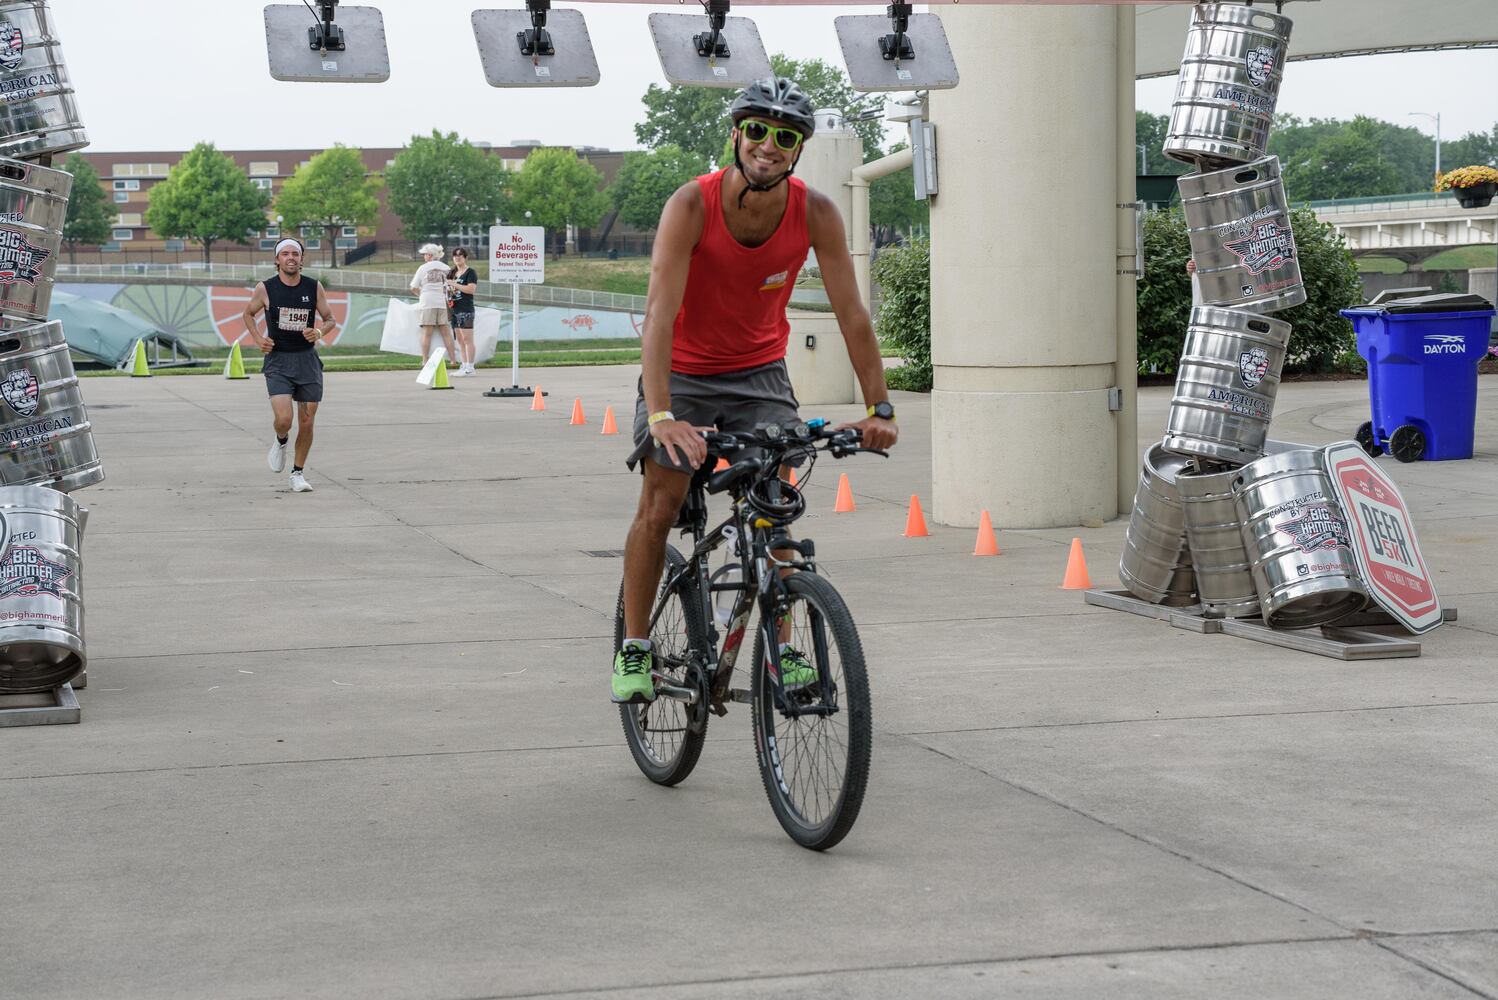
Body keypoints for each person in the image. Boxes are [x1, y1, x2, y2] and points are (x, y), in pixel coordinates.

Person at [611, 76, 899, 703]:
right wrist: (660, 414)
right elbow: (659, 314)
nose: (769, 146)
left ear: (797, 149)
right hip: (683, 370)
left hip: (760, 372)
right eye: (759, 131)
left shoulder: (815, 211)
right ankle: (635, 647)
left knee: (777, 510)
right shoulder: (692, 204)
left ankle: (785, 650)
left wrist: (879, 406)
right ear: (738, 135)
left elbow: (853, 314)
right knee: (660, 505)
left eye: (786, 137)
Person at [242, 238, 338, 493]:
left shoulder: (313, 287)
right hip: (278, 360)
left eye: (295, 253)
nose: (291, 258)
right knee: (284, 418)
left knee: (306, 422)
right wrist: (258, 339)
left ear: (301, 259)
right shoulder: (266, 288)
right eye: (285, 254)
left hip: (307, 360)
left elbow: (330, 319)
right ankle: (280, 439)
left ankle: (297, 473)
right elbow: (248, 313)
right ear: (277, 260)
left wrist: (318, 332)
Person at [410, 243, 458, 369]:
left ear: (430, 255)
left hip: (427, 302)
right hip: (443, 303)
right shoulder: (447, 268)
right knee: (446, 334)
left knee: (427, 334)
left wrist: (421, 295)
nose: (424, 257)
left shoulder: (423, 268)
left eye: (425, 254)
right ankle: (453, 360)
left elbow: (413, 287)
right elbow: (453, 288)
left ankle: (425, 360)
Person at [447, 247, 479, 377]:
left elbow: (471, 289)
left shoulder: (470, 272)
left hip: (465, 309)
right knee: (459, 340)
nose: (457, 258)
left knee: (467, 339)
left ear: (465, 258)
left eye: (460, 255)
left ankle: (471, 367)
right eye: (455, 255)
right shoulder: (452, 272)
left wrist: (455, 285)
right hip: (454, 308)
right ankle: (464, 365)